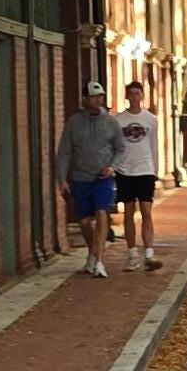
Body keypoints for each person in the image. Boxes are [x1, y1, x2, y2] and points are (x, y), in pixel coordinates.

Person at [55, 75, 123, 278]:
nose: (97, 101)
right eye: (93, 97)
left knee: (102, 213)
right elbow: (65, 151)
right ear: (84, 99)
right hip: (80, 177)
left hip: (103, 177)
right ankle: (93, 253)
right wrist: (62, 179)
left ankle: (99, 261)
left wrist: (112, 167)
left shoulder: (111, 122)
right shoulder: (74, 122)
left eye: (100, 97)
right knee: (84, 222)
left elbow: (120, 148)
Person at [112, 76, 164, 271]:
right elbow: (115, 146)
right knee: (128, 212)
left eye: (137, 93)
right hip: (125, 171)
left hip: (145, 170)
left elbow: (154, 145)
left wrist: (155, 169)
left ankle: (149, 253)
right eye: (131, 94)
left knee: (146, 210)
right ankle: (132, 253)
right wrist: (115, 166)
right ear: (127, 96)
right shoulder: (118, 120)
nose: (134, 97)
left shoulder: (151, 120)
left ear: (142, 96)